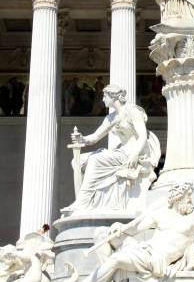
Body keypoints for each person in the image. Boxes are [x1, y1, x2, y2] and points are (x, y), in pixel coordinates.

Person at [54, 183, 194, 282]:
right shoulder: (161, 213)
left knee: (116, 259)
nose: (190, 200)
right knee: (102, 232)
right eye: (188, 196)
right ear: (178, 198)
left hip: (156, 260)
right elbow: (136, 230)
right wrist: (121, 228)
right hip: (145, 249)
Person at [61, 85, 160, 214]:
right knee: (78, 161)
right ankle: (84, 201)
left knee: (96, 160)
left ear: (114, 97)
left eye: (105, 96)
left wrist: (135, 154)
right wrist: (82, 139)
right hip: (120, 152)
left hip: (132, 154)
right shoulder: (111, 117)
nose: (102, 99)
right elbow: (95, 137)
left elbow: (142, 136)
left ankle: (82, 202)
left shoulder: (132, 111)